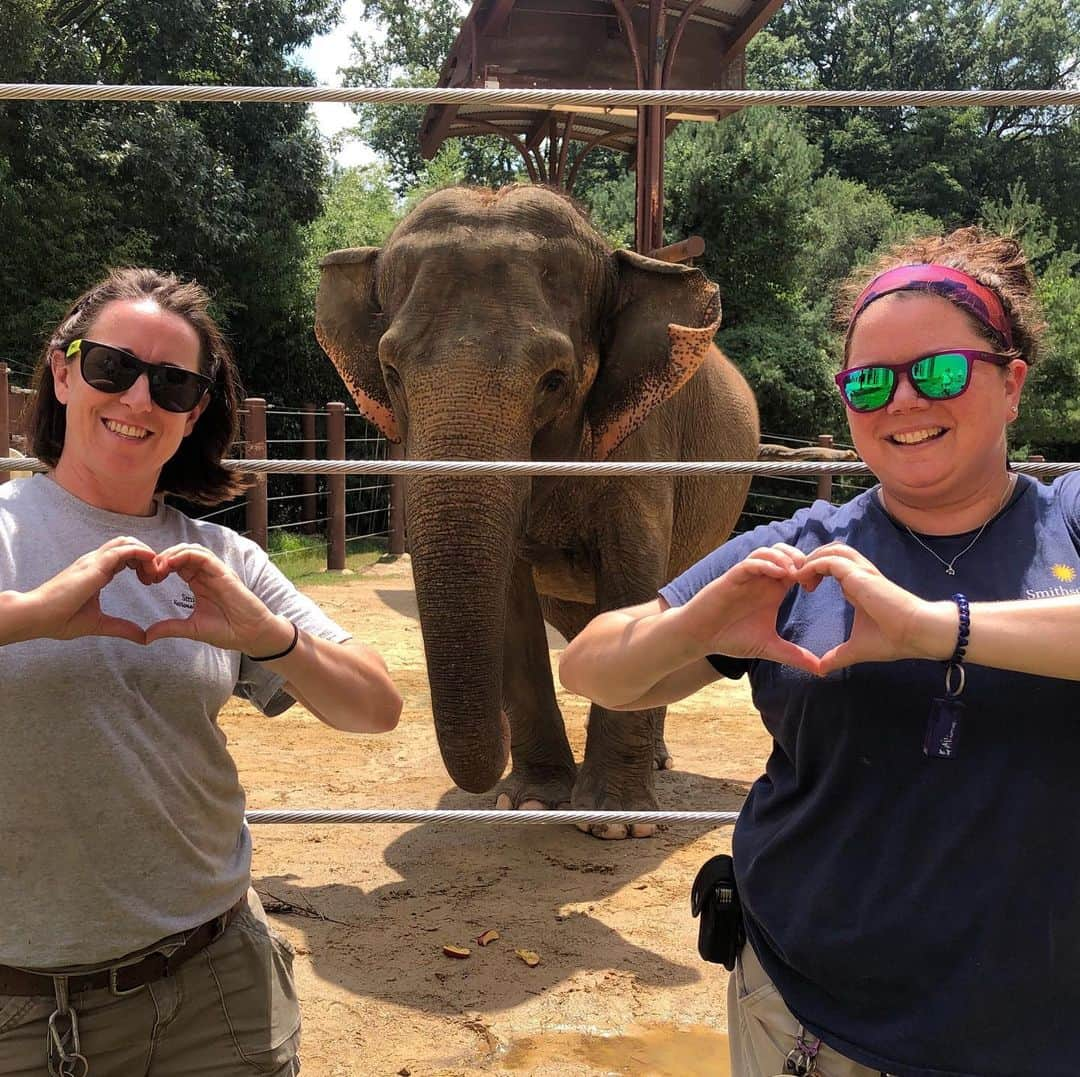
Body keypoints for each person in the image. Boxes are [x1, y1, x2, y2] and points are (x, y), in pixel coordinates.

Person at [559, 227, 1080, 1077]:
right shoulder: (806, 548)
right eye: (868, 383)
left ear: (1012, 382)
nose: (903, 403)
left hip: (1046, 1026)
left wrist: (932, 627)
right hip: (810, 1014)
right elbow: (591, 668)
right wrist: (691, 629)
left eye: (940, 371)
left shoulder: (1070, 518)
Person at [0, 267, 402, 1077]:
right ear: (65, 368)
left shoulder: (222, 559)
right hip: (18, 1009)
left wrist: (270, 636)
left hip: (214, 988)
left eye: (173, 384)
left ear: (194, 414)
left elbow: (376, 706)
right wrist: (34, 615)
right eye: (114, 366)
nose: (139, 399)